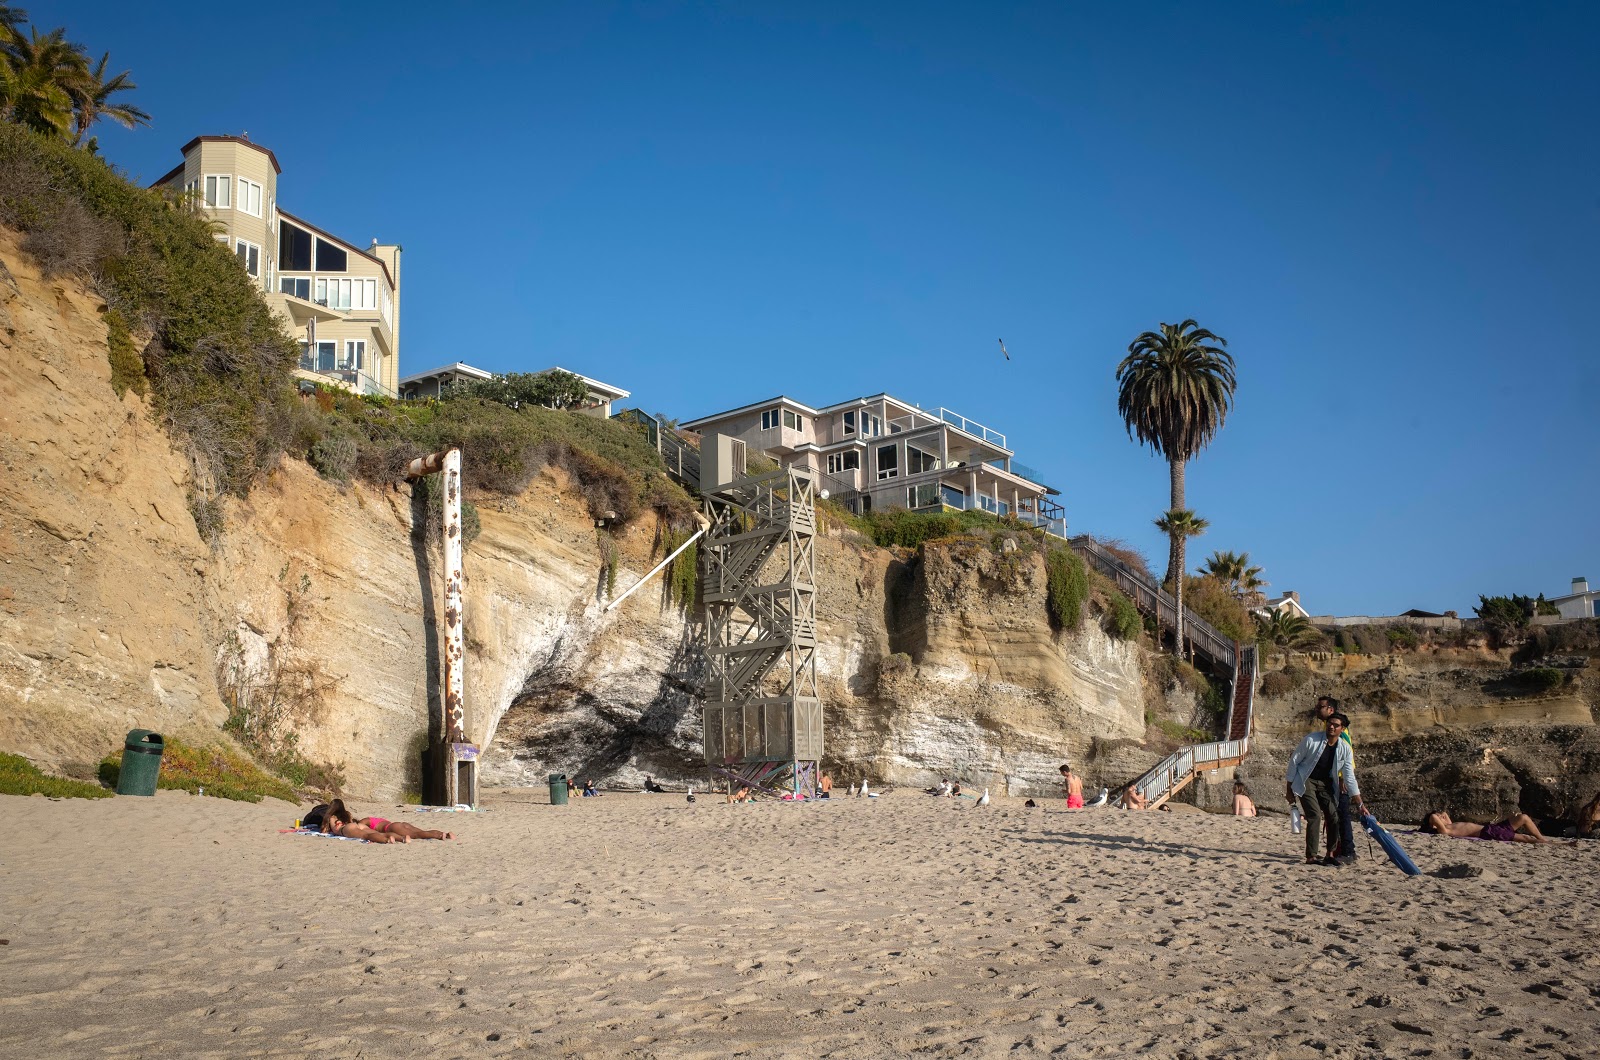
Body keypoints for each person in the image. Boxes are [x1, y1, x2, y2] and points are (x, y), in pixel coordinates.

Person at [1286, 713, 1364, 865]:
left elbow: (1349, 776)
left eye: (1336, 725)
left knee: (1334, 815)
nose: (1331, 727)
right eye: (1330, 723)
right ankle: (1311, 856)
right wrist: (1289, 789)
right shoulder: (1311, 740)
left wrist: (1359, 802)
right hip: (1306, 779)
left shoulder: (1345, 748)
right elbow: (1294, 761)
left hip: (1326, 783)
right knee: (1314, 815)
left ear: (1342, 729)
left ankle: (1330, 853)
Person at [1311, 696, 1357, 862]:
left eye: (1321, 706)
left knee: (1342, 814)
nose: (1317, 708)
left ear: (1330, 709)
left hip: (1340, 779)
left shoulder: (1338, 728)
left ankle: (1348, 851)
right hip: (1332, 778)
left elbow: (1347, 753)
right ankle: (1339, 849)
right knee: (1334, 814)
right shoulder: (1329, 725)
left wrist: (1343, 777)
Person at [322, 801, 454, 842]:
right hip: (397, 823)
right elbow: (356, 823)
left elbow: (325, 831)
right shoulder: (347, 815)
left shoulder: (331, 818)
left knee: (368, 836)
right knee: (419, 831)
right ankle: (443, 834)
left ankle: (395, 839)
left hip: (391, 827)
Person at [1421, 810, 1549, 843]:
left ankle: (1541, 838)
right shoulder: (1445, 831)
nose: (1442, 816)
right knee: (1525, 838)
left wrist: (1440, 815)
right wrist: (1433, 818)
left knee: (1523, 817)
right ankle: (1559, 845)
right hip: (1489, 833)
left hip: (1492, 828)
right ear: (1434, 825)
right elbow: (1433, 818)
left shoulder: (1449, 825)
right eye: (1439, 817)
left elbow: (1444, 814)